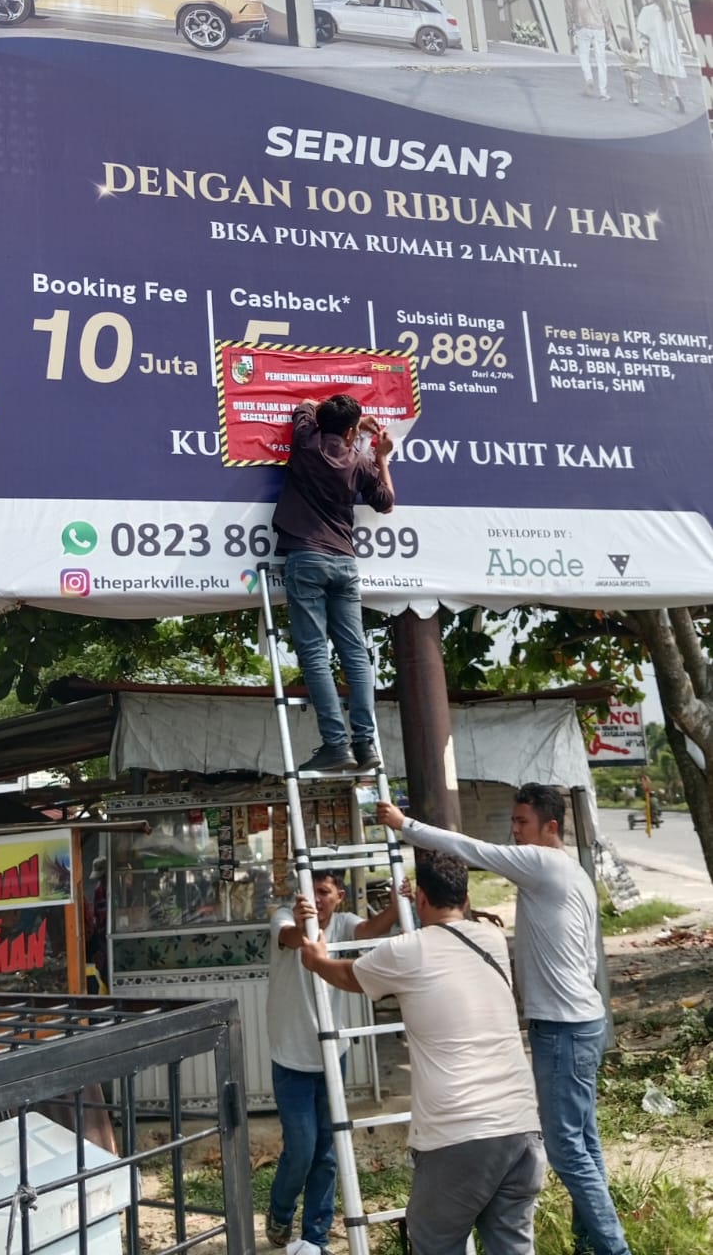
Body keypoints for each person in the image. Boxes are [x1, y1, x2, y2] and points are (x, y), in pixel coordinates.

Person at [377, 785, 632, 1255]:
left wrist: (404, 825)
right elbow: (587, 955)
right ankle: (590, 1244)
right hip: (582, 1020)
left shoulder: (542, 862)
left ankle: (613, 1249)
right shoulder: (572, 872)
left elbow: (471, 849)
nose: (514, 831)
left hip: (563, 1027)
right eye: (513, 822)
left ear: (550, 827)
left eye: (522, 822)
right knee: (583, 1143)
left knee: (567, 1152)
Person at [301, 853, 545, 1255]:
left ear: (420, 899)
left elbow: (348, 975)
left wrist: (316, 960)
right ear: (466, 898)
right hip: (521, 1130)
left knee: (435, 1243)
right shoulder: (492, 940)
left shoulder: (406, 951)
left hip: (458, 1134)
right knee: (512, 1247)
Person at [266, 870, 399, 1253]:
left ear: (339, 895)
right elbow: (291, 938)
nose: (317, 899)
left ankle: (316, 1236)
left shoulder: (343, 923)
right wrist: (302, 922)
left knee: (327, 1152)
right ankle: (280, 1211)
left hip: (331, 1056)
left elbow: (370, 929)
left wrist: (396, 905)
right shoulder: (283, 918)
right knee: (302, 1149)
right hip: (291, 1058)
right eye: (310, 892)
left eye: (324, 892)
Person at [273, 394, 394, 774]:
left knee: (314, 653)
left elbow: (307, 402)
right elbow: (386, 502)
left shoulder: (306, 441)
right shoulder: (360, 462)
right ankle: (365, 744)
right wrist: (381, 456)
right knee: (356, 655)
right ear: (351, 433)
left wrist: (351, 421)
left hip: (306, 557)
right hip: (344, 562)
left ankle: (336, 745)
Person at [566, 0, 614, 101]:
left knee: (583, 55)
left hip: (582, 25)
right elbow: (605, 12)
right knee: (601, 60)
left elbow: (568, 7)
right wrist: (609, 32)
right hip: (598, 26)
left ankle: (588, 78)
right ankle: (603, 92)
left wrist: (570, 25)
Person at [636, 0, 686, 113]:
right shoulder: (667, 12)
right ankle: (677, 95)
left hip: (657, 47)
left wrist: (643, 47)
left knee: (660, 75)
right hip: (669, 49)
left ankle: (665, 99)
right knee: (671, 75)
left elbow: (643, 30)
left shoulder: (649, 10)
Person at [617, 36, 642, 106]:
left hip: (626, 72)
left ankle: (630, 99)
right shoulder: (634, 54)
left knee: (628, 86)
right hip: (635, 72)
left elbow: (616, 52)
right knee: (635, 86)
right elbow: (638, 58)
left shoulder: (622, 54)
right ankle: (635, 99)